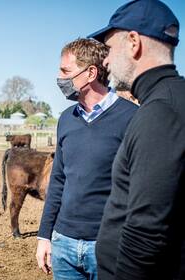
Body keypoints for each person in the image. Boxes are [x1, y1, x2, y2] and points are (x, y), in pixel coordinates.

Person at [88, 0, 185, 279]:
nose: (105, 61)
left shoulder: (161, 113)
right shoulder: (171, 100)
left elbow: (147, 230)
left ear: (133, 42)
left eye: (108, 49)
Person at [36, 38, 138, 279]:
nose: (59, 78)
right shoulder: (66, 119)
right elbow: (59, 180)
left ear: (91, 72)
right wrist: (45, 236)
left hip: (109, 246)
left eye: (65, 71)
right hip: (63, 246)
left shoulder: (133, 118)